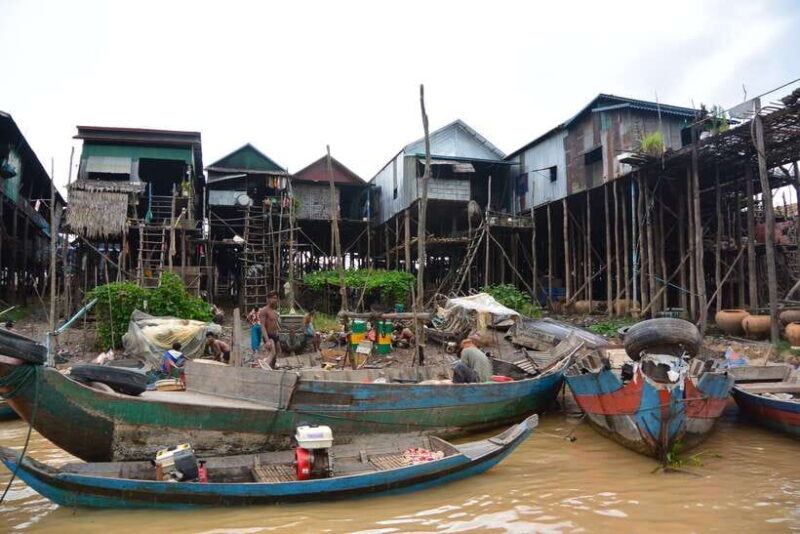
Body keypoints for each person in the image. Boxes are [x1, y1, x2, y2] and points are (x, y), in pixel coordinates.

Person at [258, 291, 281, 358]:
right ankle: (267, 365)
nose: (273, 300)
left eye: (275, 298)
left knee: (279, 351)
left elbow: (276, 323)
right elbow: (262, 326)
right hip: (268, 335)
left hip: (275, 335)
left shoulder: (275, 310)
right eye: (272, 298)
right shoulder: (264, 310)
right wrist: (267, 340)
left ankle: (275, 365)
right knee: (271, 353)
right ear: (268, 299)